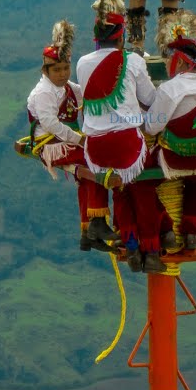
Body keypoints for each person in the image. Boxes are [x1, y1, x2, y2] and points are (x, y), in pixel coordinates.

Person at [76, 0, 169, 274]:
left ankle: (130, 243)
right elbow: (150, 99)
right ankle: (153, 247)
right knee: (144, 188)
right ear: (122, 36)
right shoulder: (132, 61)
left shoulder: (81, 62)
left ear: (95, 37)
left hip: (95, 150)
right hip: (128, 145)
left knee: (121, 191)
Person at [24, 20, 119, 253]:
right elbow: (51, 124)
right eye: (56, 70)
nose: (62, 73)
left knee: (86, 174)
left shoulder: (67, 87)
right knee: (94, 161)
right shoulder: (43, 93)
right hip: (53, 145)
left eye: (66, 68)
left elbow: (87, 94)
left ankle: (88, 232)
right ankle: (97, 222)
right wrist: (81, 140)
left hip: (66, 141)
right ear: (45, 71)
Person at [142, 11, 196, 255]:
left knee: (138, 179)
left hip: (173, 157)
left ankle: (163, 227)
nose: (167, 63)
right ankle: (195, 228)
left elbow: (152, 127)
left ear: (182, 62)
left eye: (170, 58)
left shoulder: (169, 89)